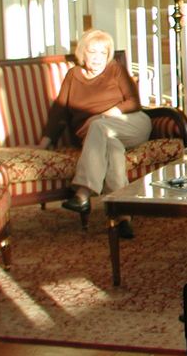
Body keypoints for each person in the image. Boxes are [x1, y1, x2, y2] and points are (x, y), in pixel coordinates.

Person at [35, 29, 151, 239]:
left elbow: (134, 102)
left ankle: (83, 193)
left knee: (99, 125)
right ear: (83, 53)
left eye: (103, 53)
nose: (97, 58)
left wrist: (104, 115)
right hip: (101, 137)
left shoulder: (115, 69)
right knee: (113, 151)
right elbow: (59, 111)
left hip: (131, 124)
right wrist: (45, 143)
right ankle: (123, 217)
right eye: (92, 52)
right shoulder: (73, 76)